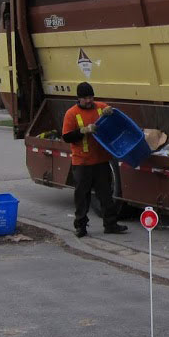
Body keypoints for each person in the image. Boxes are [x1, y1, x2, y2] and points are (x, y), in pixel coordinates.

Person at [61, 82, 128, 238]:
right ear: (79, 98)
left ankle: (110, 224)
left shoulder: (100, 107)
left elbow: (111, 116)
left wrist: (110, 112)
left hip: (101, 160)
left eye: (91, 97)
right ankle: (81, 227)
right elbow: (66, 136)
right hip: (82, 162)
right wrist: (83, 131)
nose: (89, 100)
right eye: (85, 98)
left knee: (105, 195)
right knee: (82, 197)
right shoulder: (71, 114)